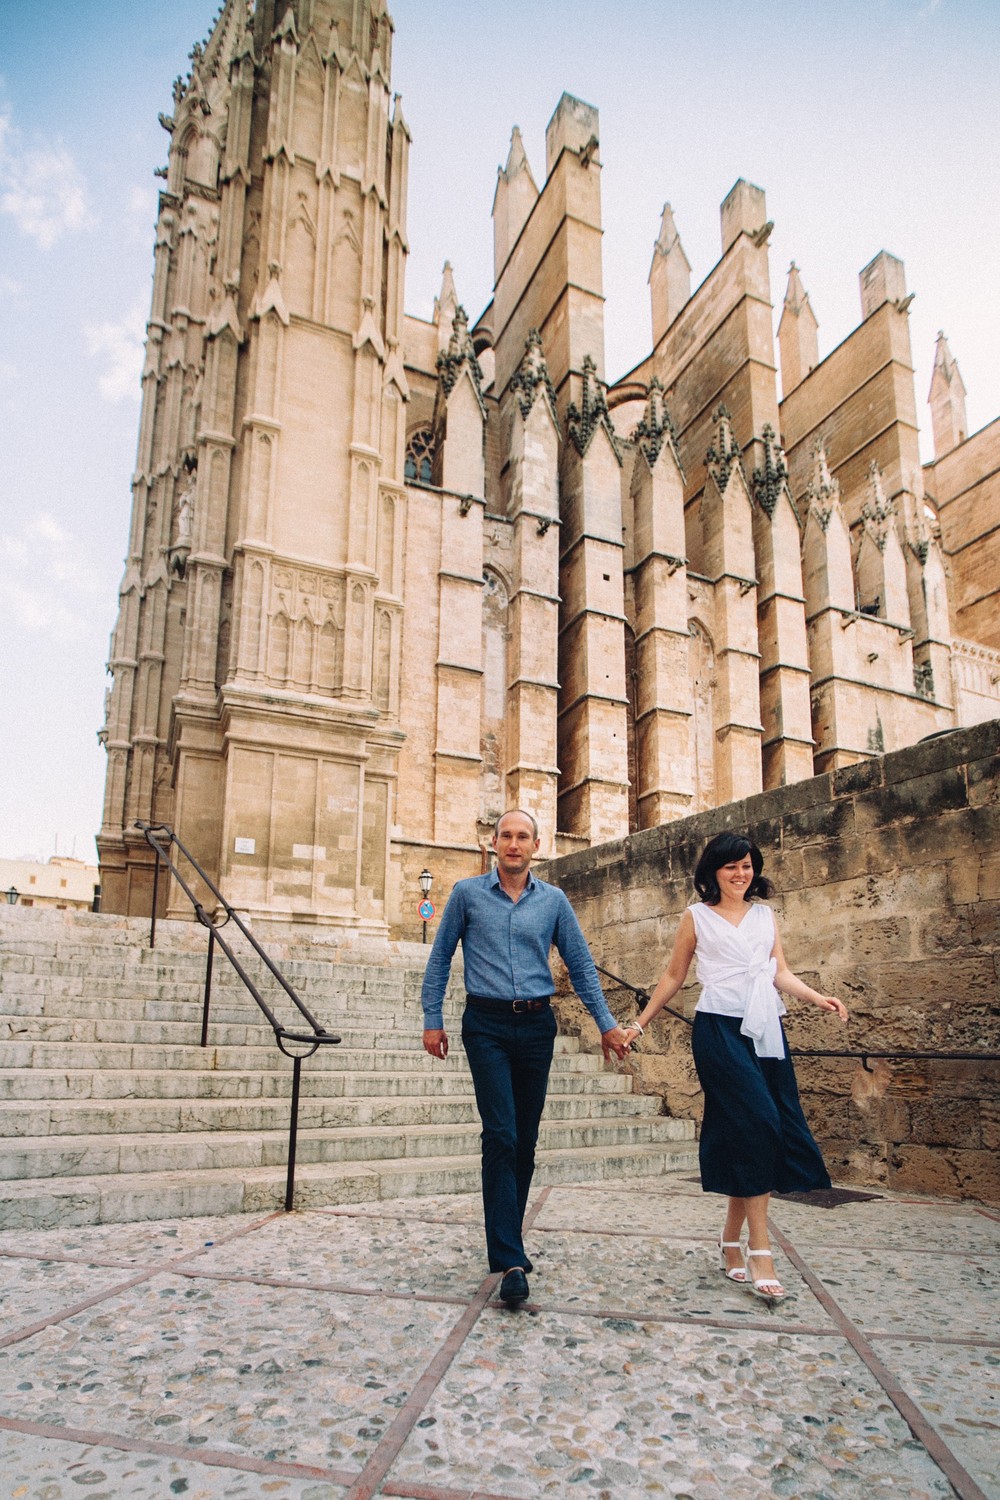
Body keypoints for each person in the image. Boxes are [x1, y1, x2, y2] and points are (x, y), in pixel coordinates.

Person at [620, 831, 848, 1301]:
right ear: (713, 873)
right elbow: (673, 976)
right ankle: (760, 1249)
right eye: (731, 866)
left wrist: (816, 997)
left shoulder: (765, 915)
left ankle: (730, 1237)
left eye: (747, 865)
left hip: (765, 1028)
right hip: (719, 1031)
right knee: (760, 1123)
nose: (741, 873)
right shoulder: (696, 917)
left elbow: (779, 971)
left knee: (758, 1130)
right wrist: (638, 1026)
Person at [421, 809, 633, 1304]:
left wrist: (607, 1025)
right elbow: (439, 960)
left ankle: (507, 1242)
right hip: (486, 1025)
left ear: (537, 845)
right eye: (506, 836)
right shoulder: (466, 895)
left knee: (526, 1139)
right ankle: (510, 1260)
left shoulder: (554, 901)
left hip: (537, 1025)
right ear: (492, 843)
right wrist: (433, 1019)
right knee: (500, 1132)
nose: (514, 844)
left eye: (523, 837)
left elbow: (580, 965)